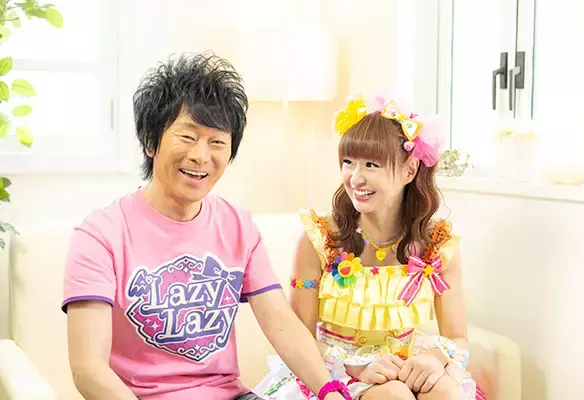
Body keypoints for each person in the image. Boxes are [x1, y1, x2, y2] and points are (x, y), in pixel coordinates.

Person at [61, 52, 352, 400]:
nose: (201, 156)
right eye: (188, 137)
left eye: (217, 142)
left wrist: (329, 390)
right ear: (150, 142)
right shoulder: (100, 235)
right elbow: (88, 370)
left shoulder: (237, 225)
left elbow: (281, 323)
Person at [255, 95, 486, 400]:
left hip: (402, 366)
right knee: (394, 396)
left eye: (371, 165)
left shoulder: (437, 244)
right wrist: (356, 365)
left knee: (445, 392)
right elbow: (298, 339)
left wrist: (434, 358)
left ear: (410, 170)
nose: (355, 178)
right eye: (348, 162)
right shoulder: (319, 240)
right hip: (336, 370)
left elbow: (457, 337)